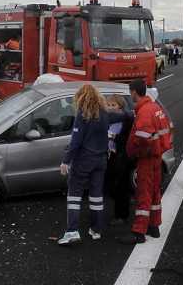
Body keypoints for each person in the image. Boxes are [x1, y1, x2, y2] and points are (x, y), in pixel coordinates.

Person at [118, 79, 171, 244]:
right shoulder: (155, 108)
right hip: (157, 157)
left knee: (143, 195)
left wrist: (137, 154)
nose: (130, 95)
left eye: (130, 92)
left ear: (134, 92)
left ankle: (139, 232)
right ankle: (153, 227)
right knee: (155, 194)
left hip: (147, 159)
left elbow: (143, 138)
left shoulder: (144, 111)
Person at [58, 83, 110, 245]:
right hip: (101, 160)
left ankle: (72, 231)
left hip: (84, 161)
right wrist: (131, 113)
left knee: (74, 195)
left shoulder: (82, 116)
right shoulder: (104, 115)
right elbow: (124, 116)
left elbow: (75, 142)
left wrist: (65, 161)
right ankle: (96, 230)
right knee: (96, 196)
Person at [104, 94, 134, 226]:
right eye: (109, 105)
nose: (110, 108)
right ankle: (125, 201)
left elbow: (129, 139)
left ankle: (122, 215)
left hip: (122, 157)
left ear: (121, 108)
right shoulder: (107, 119)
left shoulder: (127, 120)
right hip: (109, 155)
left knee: (121, 185)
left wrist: (115, 138)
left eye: (113, 105)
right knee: (108, 185)